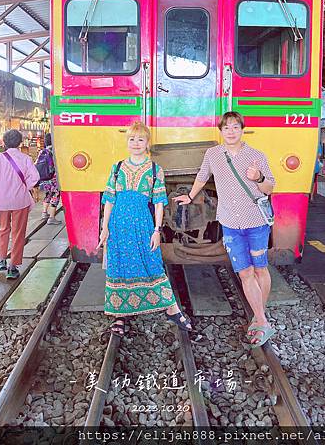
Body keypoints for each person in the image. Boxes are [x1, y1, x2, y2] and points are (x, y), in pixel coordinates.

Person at [174, 112, 275, 347]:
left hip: (255, 221)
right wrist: (190, 196)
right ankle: (261, 319)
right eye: (226, 128)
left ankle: (260, 317)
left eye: (235, 127)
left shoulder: (256, 156)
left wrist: (258, 177)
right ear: (221, 131)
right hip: (230, 222)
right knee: (245, 272)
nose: (231, 131)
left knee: (260, 269)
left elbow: (269, 187)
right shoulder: (213, 154)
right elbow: (202, 176)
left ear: (242, 130)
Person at [98, 121, 192, 336]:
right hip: (118, 225)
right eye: (132, 139)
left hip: (143, 223)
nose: (136, 143)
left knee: (152, 263)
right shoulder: (117, 167)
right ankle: (120, 315)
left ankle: (171, 308)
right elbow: (109, 200)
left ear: (147, 142)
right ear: (127, 142)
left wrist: (157, 230)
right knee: (118, 266)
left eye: (140, 139)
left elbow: (159, 202)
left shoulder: (154, 169)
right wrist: (105, 228)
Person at [0, 129, 40, 279]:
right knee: (18, 233)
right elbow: (35, 177)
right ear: (20, 143)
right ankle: (13, 267)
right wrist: (25, 187)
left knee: (3, 229)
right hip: (20, 201)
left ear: (4, 142)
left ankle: (2, 260)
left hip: (2, 201)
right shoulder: (26, 158)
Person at [38, 133, 62, 225]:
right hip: (54, 178)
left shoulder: (42, 151)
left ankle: (44, 213)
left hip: (45, 177)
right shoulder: (55, 150)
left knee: (48, 194)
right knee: (55, 195)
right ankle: (51, 217)